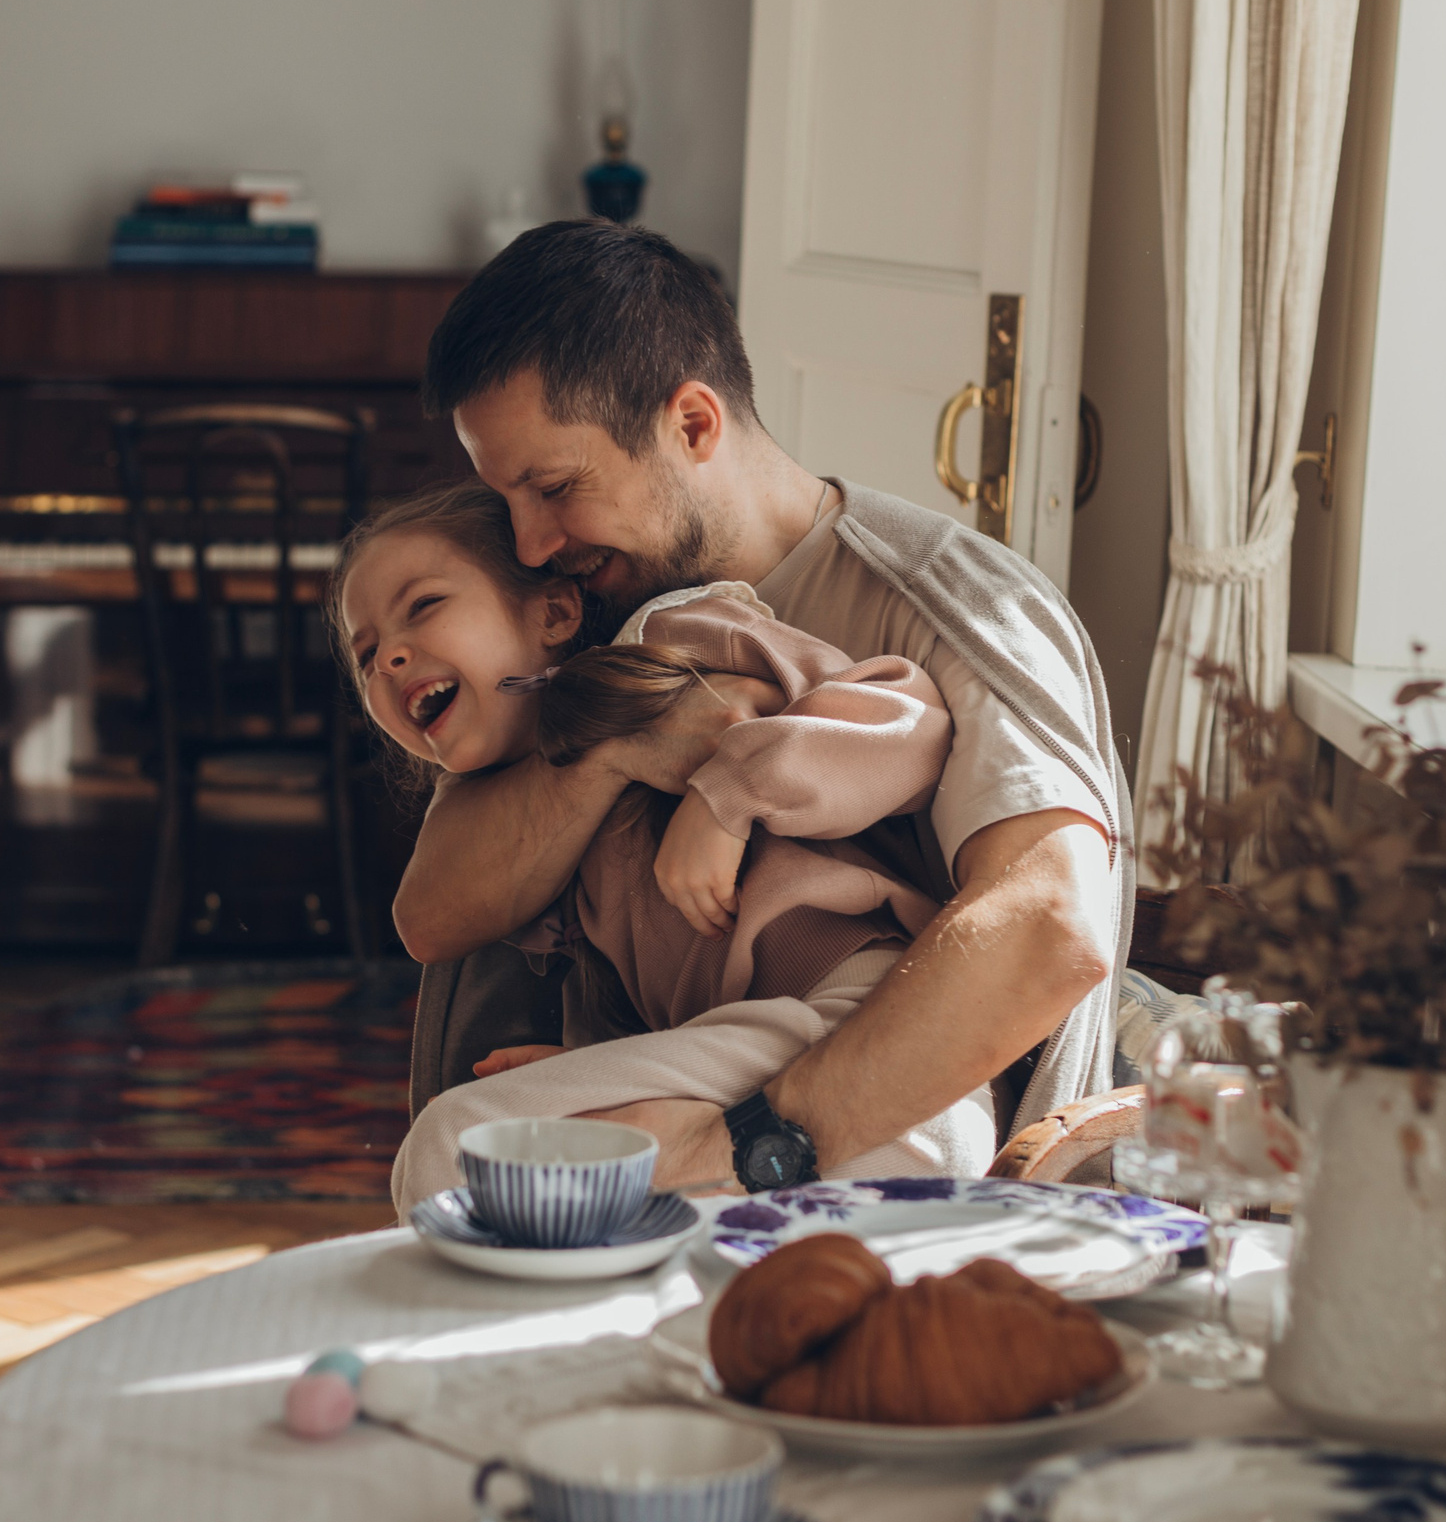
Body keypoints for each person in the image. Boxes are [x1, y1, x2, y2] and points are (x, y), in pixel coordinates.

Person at [397, 219, 1134, 1194]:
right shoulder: (587, 604)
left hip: (891, 1158)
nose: (529, 544)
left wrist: (731, 1139)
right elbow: (439, 911)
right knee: (458, 1166)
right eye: (505, 498)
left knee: (460, 1168)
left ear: (692, 423)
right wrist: (622, 751)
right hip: (690, 1098)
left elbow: (1048, 930)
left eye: (554, 487)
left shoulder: (957, 607)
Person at [331, 483, 1000, 1212]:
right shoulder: (524, 822)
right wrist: (605, 1066)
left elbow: (908, 727)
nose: (389, 658)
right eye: (365, 657)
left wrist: (726, 799)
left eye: (424, 606)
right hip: (763, 1081)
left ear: (553, 611)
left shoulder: (671, 637)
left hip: (871, 1036)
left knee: (452, 1147)